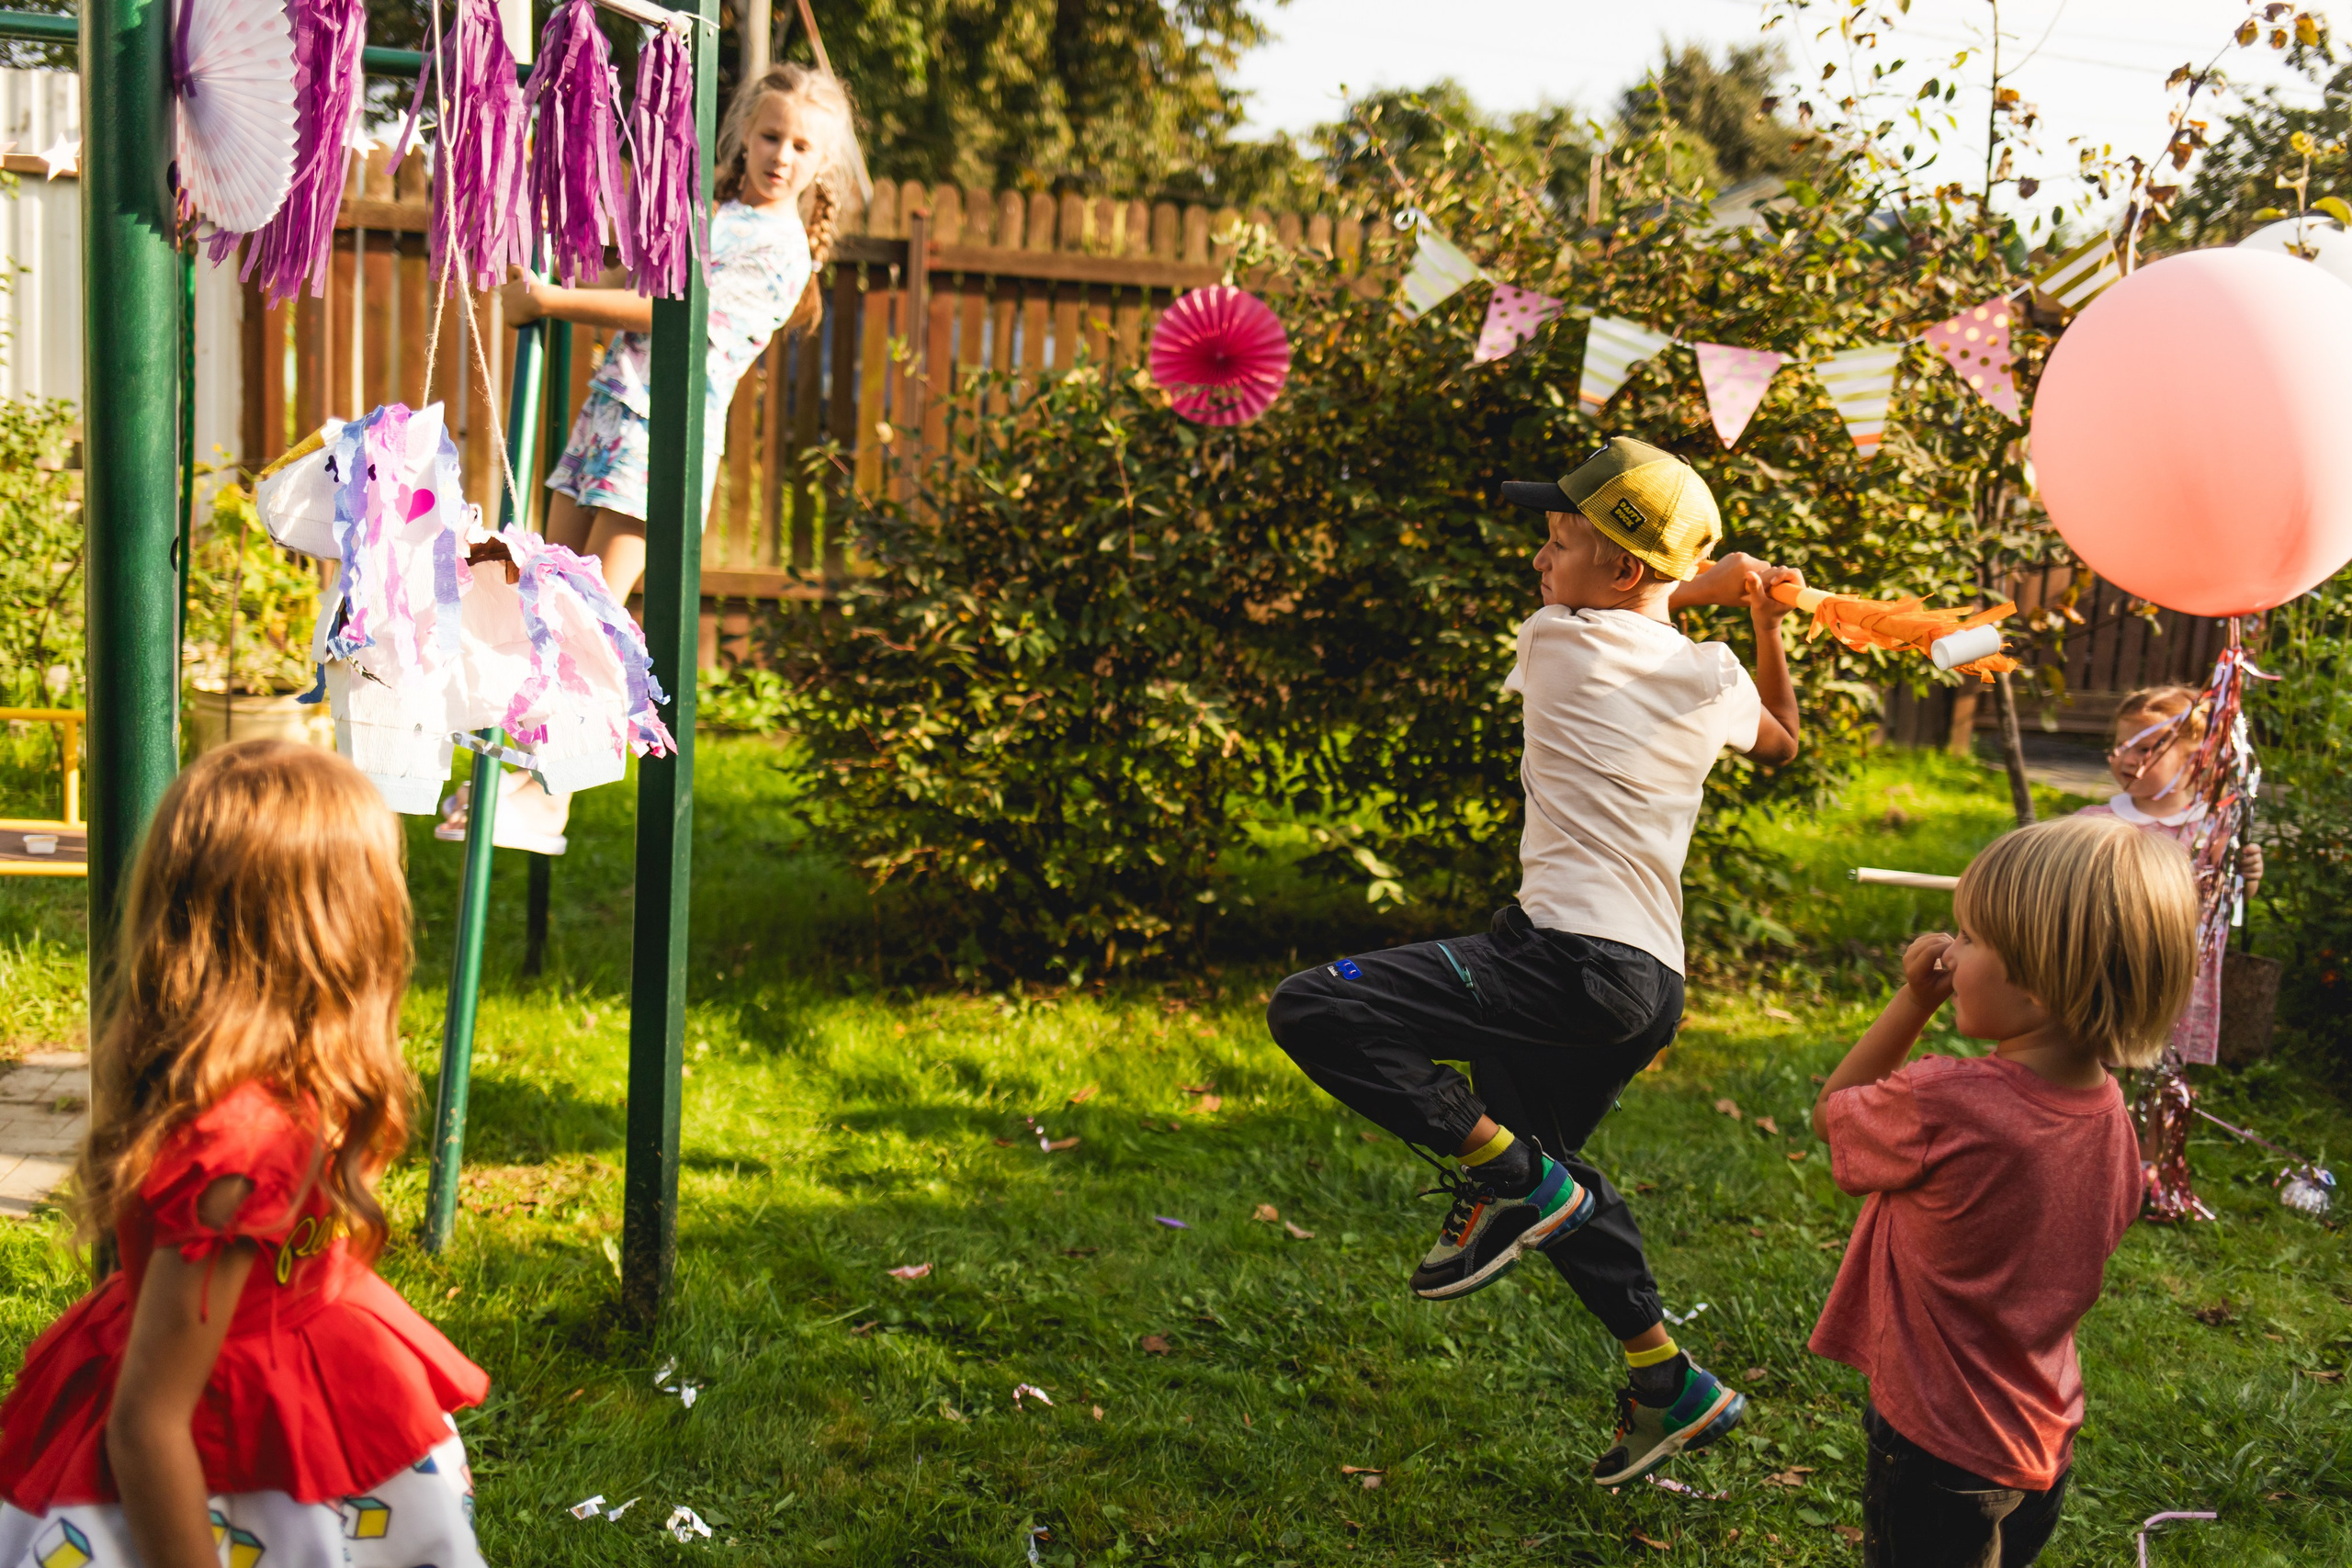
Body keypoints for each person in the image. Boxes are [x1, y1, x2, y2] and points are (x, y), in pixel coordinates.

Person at [1265, 435, 1804, 1486]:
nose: (1537, 563)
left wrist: (1704, 586)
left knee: (1316, 1009)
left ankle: (1506, 1177)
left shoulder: (1562, 641)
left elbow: (1640, 605)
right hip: (1648, 985)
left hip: (1565, 956)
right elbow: (1780, 737)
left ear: (1617, 573)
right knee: (1561, 1175)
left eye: (1557, 543)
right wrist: (1759, 617)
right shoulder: (1712, 674)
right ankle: (1666, 1381)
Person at [0, 740, 490, 1565]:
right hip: (237, 1481)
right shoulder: (244, 1150)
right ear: (335, 930)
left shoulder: (291, 1085)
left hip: (302, 1407)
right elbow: (149, 1421)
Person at [1808, 815, 2199, 1568]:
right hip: (2039, 1431)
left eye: (1972, 939)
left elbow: (1833, 1113)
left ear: (2041, 983)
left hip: (1936, 1441)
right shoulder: (2110, 1111)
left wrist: (1911, 1002)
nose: (1950, 955)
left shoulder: (1946, 1101)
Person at [502, 60, 863, 603]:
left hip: (664, 432)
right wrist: (547, 275)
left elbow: (672, 314)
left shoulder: (783, 253)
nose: (781, 156)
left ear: (824, 161)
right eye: (771, 136)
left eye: (801, 146)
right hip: (611, 408)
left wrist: (549, 302)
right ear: (746, 133)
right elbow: (629, 279)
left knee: (586, 610)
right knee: (540, 590)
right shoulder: (712, 213)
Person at [2075, 683, 2265, 1068]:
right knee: (2093, 1060)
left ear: (2197, 758)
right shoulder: (2094, 823)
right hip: (2107, 965)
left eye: (2145, 748)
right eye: (2122, 743)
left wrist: (2248, 875)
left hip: (2177, 973)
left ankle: (2154, 1126)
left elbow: (2228, 904)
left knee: (2165, 1077)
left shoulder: (2215, 829)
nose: (2127, 756)